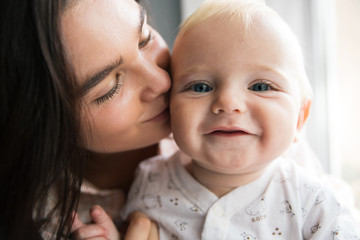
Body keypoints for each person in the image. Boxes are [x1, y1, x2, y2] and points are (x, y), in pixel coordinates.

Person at [76, 0, 360, 239]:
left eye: (261, 87)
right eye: (200, 87)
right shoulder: (149, 180)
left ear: (300, 118)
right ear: (171, 108)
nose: (228, 104)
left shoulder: (315, 203)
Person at [0, 0, 176, 239]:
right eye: (111, 88)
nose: (162, 81)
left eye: (145, 38)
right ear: (45, 122)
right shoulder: (42, 218)